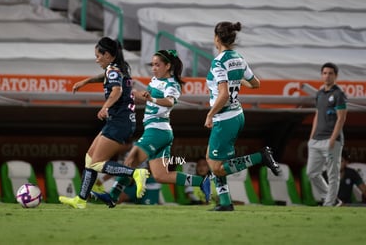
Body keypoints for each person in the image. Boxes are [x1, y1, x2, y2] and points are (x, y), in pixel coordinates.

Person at [91, 50, 211, 207]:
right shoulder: (154, 80)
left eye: (157, 65)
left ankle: (113, 195)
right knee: (161, 175)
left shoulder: (173, 84)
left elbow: (168, 102)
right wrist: (136, 94)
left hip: (157, 130)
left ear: (167, 66)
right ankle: (202, 181)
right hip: (157, 130)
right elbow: (147, 97)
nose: (154, 68)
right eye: (152, 65)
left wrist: (152, 98)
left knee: (131, 159)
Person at [59, 37, 149, 209]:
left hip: (119, 122)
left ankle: (136, 173)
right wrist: (86, 81)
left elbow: (116, 90)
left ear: (107, 55)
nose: (96, 59)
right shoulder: (118, 68)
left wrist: (105, 107)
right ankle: (81, 199)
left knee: (96, 163)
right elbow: (106, 77)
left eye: (98, 55)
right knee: (89, 158)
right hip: (120, 121)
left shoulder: (113, 70)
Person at [204, 21, 281, 211]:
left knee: (216, 167)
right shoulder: (238, 58)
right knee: (210, 158)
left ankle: (260, 157)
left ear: (216, 38)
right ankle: (225, 203)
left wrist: (209, 115)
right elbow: (255, 83)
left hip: (224, 117)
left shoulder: (219, 62)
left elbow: (222, 95)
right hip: (236, 114)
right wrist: (236, 80)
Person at [306, 62, 347, 207]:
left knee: (332, 174)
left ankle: (329, 204)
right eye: (324, 73)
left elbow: (341, 118)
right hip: (316, 140)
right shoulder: (319, 93)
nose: (327, 76)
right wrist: (311, 137)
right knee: (311, 173)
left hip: (331, 140)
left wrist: (333, 138)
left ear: (335, 76)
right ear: (321, 75)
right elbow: (317, 115)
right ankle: (333, 200)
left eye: (330, 73)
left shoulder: (338, 94)